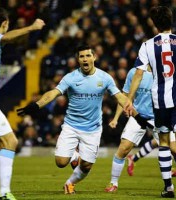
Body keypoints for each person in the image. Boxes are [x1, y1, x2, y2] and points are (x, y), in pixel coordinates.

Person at [17, 45, 133, 194]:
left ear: (94, 57)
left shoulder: (104, 78)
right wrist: (36, 105)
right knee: (60, 162)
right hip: (71, 126)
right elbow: (53, 93)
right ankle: (75, 155)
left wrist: (131, 109)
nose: (85, 59)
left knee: (86, 166)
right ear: (78, 60)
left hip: (93, 129)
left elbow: (119, 97)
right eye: (82, 56)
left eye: (88, 56)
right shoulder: (70, 78)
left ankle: (70, 183)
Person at [0, 1, 45, 200]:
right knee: (11, 141)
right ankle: (5, 192)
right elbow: (6, 38)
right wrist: (32, 27)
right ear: (5, 23)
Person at [127, 6, 176, 198]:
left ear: (154, 24)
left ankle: (169, 188)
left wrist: (129, 100)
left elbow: (138, 74)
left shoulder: (147, 45)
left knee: (163, 142)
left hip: (161, 100)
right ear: (171, 20)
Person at [105, 67, 176, 194]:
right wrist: (116, 118)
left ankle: (168, 186)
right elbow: (125, 95)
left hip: (160, 117)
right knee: (123, 148)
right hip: (138, 115)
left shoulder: (166, 70)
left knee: (174, 149)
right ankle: (113, 182)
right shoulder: (134, 72)